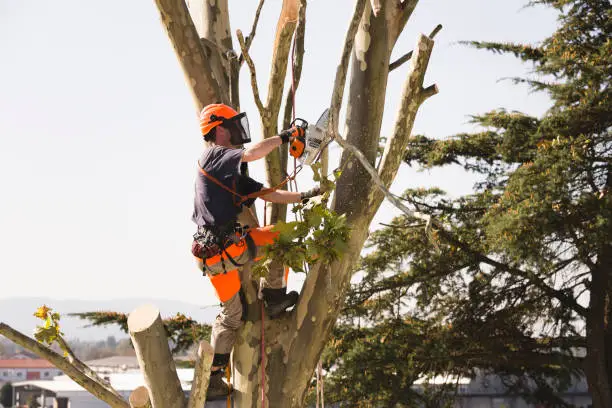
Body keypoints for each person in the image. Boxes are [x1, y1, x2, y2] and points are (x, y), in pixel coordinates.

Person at [191, 103, 323, 398]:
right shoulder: (214, 155)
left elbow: (269, 193)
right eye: (233, 125)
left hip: (211, 257)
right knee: (280, 239)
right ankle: (274, 295)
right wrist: (285, 136)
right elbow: (251, 154)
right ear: (219, 129)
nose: (238, 131)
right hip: (227, 249)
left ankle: (212, 378)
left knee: (232, 316)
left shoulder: (226, 173)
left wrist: (307, 195)